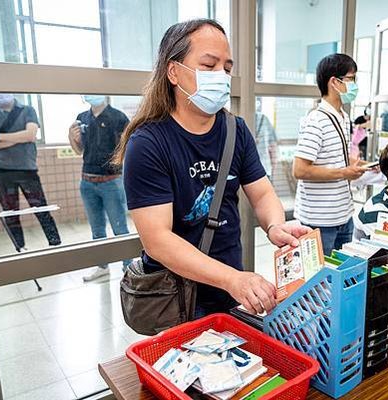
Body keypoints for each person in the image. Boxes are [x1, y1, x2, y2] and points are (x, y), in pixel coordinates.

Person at [114, 19, 310, 317]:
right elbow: (157, 240)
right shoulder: (148, 143)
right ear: (173, 71)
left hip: (231, 290)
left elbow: (261, 193)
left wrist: (275, 225)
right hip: (176, 295)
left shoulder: (235, 130)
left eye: (227, 68)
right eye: (209, 65)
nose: (221, 76)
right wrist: (232, 279)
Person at [292, 53, 369, 257]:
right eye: (351, 79)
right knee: (317, 283)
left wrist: (355, 165)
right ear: (334, 82)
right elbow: (300, 170)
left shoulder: (343, 117)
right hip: (319, 221)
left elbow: (333, 159)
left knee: (339, 280)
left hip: (344, 215)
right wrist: (345, 172)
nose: (354, 85)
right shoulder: (316, 120)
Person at [0, 94, 61, 250]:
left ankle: (55, 245)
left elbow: (31, 135)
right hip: (1, 171)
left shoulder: (28, 110)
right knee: (10, 213)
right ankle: (19, 248)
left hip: (27, 169)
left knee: (41, 209)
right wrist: (20, 137)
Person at [68, 95, 131, 282]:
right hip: (87, 182)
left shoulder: (119, 117)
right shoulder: (82, 118)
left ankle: (129, 269)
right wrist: (73, 138)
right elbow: (78, 151)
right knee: (97, 229)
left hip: (111, 181)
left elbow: (128, 148)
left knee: (120, 228)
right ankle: (102, 266)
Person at [254, 109, 278, 181]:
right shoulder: (264, 119)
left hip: (248, 170)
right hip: (264, 169)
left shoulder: (239, 118)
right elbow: (273, 148)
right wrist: (273, 170)